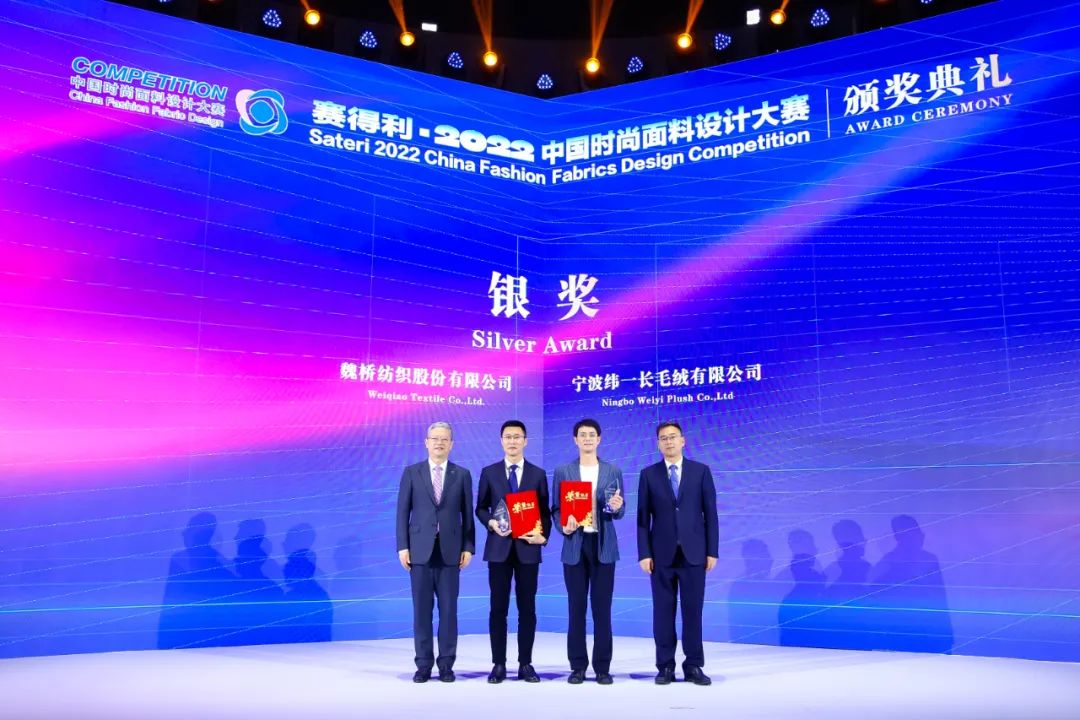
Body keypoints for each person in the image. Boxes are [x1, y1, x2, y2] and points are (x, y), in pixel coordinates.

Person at [636, 421, 719, 686]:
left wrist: (712, 550)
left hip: (695, 553)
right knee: (663, 612)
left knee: (693, 612)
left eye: (673, 437)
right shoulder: (648, 474)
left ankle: (693, 665)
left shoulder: (701, 471)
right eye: (663, 438)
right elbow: (642, 519)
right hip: (660, 555)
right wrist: (644, 553)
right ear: (658, 444)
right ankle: (665, 666)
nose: (669, 441)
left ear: (683, 441)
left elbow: (711, 514)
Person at [395, 421, 475, 683]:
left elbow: (467, 515)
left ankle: (446, 665)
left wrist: (468, 547)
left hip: (451, 552)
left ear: (451, 444)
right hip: (419, 551)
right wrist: (403, 546)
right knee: (422, 612)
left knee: (449, 612)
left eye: (444, 439)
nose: (439, 443)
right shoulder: (412, 472)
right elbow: (402, 512)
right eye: (435, 439)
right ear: (426, 442)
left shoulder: (461, 474)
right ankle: (423, 665)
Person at [476, 420, 551, 683]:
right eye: (508, 437)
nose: (512, 441)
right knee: (498, 608)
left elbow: (545, 512)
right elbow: (480, 508)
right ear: (501, 441)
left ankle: (525, 664)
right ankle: (498, 664)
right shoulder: (489, 472)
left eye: (517, 437)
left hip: (528, 549)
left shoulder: (538, 474)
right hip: (498, 550)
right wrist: (490, 522)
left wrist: (543, 537)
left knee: (527, 609)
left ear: (525, 441)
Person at [552, 418, 625, 685]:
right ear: (575, 440)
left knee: (602, 610)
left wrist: (616, 506)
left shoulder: (612, 470)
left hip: (603, 545)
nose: (587, 438)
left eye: (591, 434)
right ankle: (578, 666)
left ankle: (602, 667)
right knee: (576, 608)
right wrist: (564, 526)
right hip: (575, 545)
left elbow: (620, 510)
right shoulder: (564, 471)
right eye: (582, 434)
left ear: (599, 439)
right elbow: (556, 509)